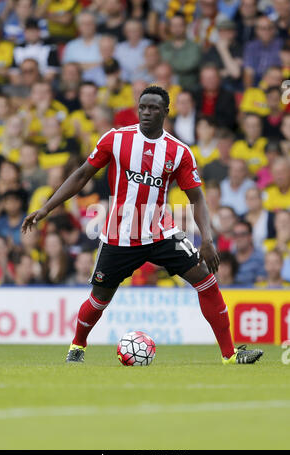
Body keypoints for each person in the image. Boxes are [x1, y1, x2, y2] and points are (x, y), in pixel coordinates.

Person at [22, 85, 263, 365]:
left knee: (207, 281)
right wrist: (46, 207)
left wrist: (207, 240)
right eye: (143, 107)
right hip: (120, 235)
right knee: (99, 298)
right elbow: (82, 175)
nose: (146, 113)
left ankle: (230, 355)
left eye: (153, 109)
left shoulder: (179, 152)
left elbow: (197, 197)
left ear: (166, 112)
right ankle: (77, 345)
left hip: (162, 232)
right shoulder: (116, 139)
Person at [232, 220, 266, 285]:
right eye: (235, 235)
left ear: (250, 236)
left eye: (243, 234)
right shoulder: (229, 257)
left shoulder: (261, 258)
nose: (239, 238)